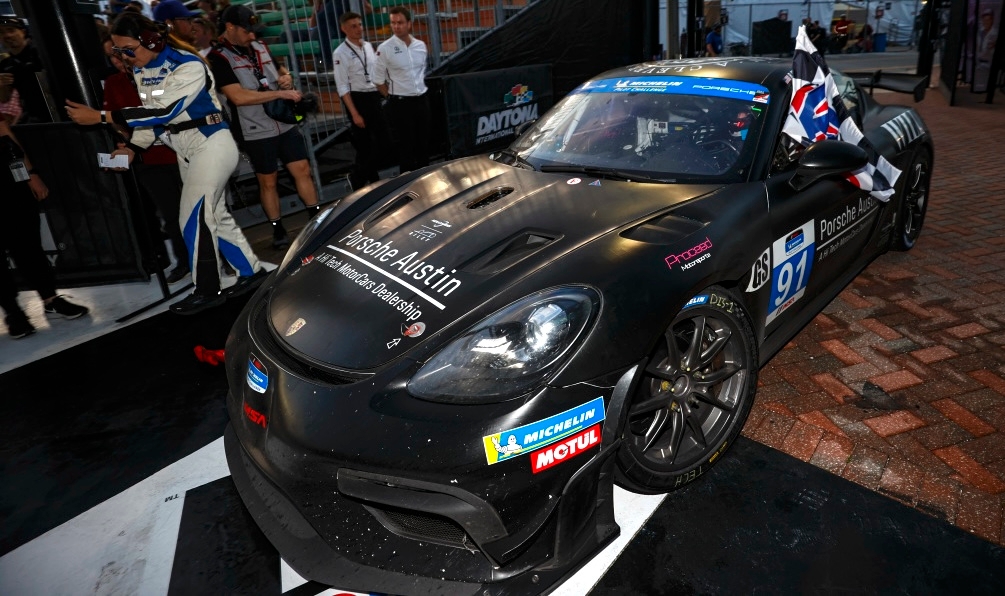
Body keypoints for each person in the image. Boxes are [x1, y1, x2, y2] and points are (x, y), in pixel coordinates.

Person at [65, 12, 268, 315]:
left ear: (150, 40)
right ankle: (251, 272)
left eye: (128, 49)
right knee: (215, 215)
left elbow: (166, 110)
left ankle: (207, 289)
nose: (124, 57)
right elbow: (152, 117)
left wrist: (102, 116)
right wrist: (133, 148)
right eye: (118, 51)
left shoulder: (188, 64)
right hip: (185, 148)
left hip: (212, 143)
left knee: (193, 217)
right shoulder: (143, 70)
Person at [208, 5, 322, 249]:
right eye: (246, 31)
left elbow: (280, 69)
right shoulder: (218, 58)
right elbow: (237, 97)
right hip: (254, 129)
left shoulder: (260, 46)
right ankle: (277, 228)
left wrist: (285, 77)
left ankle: (316, 221)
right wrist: (279, 93)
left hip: (283, 121)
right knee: (268, 181)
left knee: (302, 169)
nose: (252, 36)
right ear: (230, 27)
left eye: (254, 31)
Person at [99, 28, 190, 284]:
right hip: (148, 158)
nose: (119, 59)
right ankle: (185, 261)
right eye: (113, 55)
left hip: (183, 150)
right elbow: (115, 118)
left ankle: (221, 256)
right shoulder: (114, 83)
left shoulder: (162, 72)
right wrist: (123, 138)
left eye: (122, 52)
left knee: (203, 207)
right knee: (171, 214)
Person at [1, 119, 90, 338]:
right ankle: (13, 312)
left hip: (9, 182)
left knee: (29, 245)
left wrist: (31, 174)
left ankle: (50, 298)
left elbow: (6, 136)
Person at [333, 11, 390, 189]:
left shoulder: (367, 46)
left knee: (383, 142)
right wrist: (355, 113)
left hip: (373, 96)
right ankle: (366, 181)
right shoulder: (340, 53)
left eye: (359, 25)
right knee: (365, 144)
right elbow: (342, 86)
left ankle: (359, 177)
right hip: (357, 99)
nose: (358, 29)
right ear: (344, 29)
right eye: (353, 26)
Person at [374, 6, 429, 172]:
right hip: (400, 103)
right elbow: (377, 79)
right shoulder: (385, 48)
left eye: (400, 22)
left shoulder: (420, 46)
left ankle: (426, 179)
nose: (396, 26)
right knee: (406, 147)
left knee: (424, 144)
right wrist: (391, 97)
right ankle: (407, 182)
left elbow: (421, 72)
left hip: (422, 100)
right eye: (393, 23)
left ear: (409, 24)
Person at [0, 16, 53, 123]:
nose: (7, 35)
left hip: (58, 112)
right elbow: (5, 98)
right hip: (34, 118)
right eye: (1, 32)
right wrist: (1, 85)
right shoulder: (5, 64)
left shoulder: (40, 54)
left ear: (23, 32)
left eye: (11, 30)